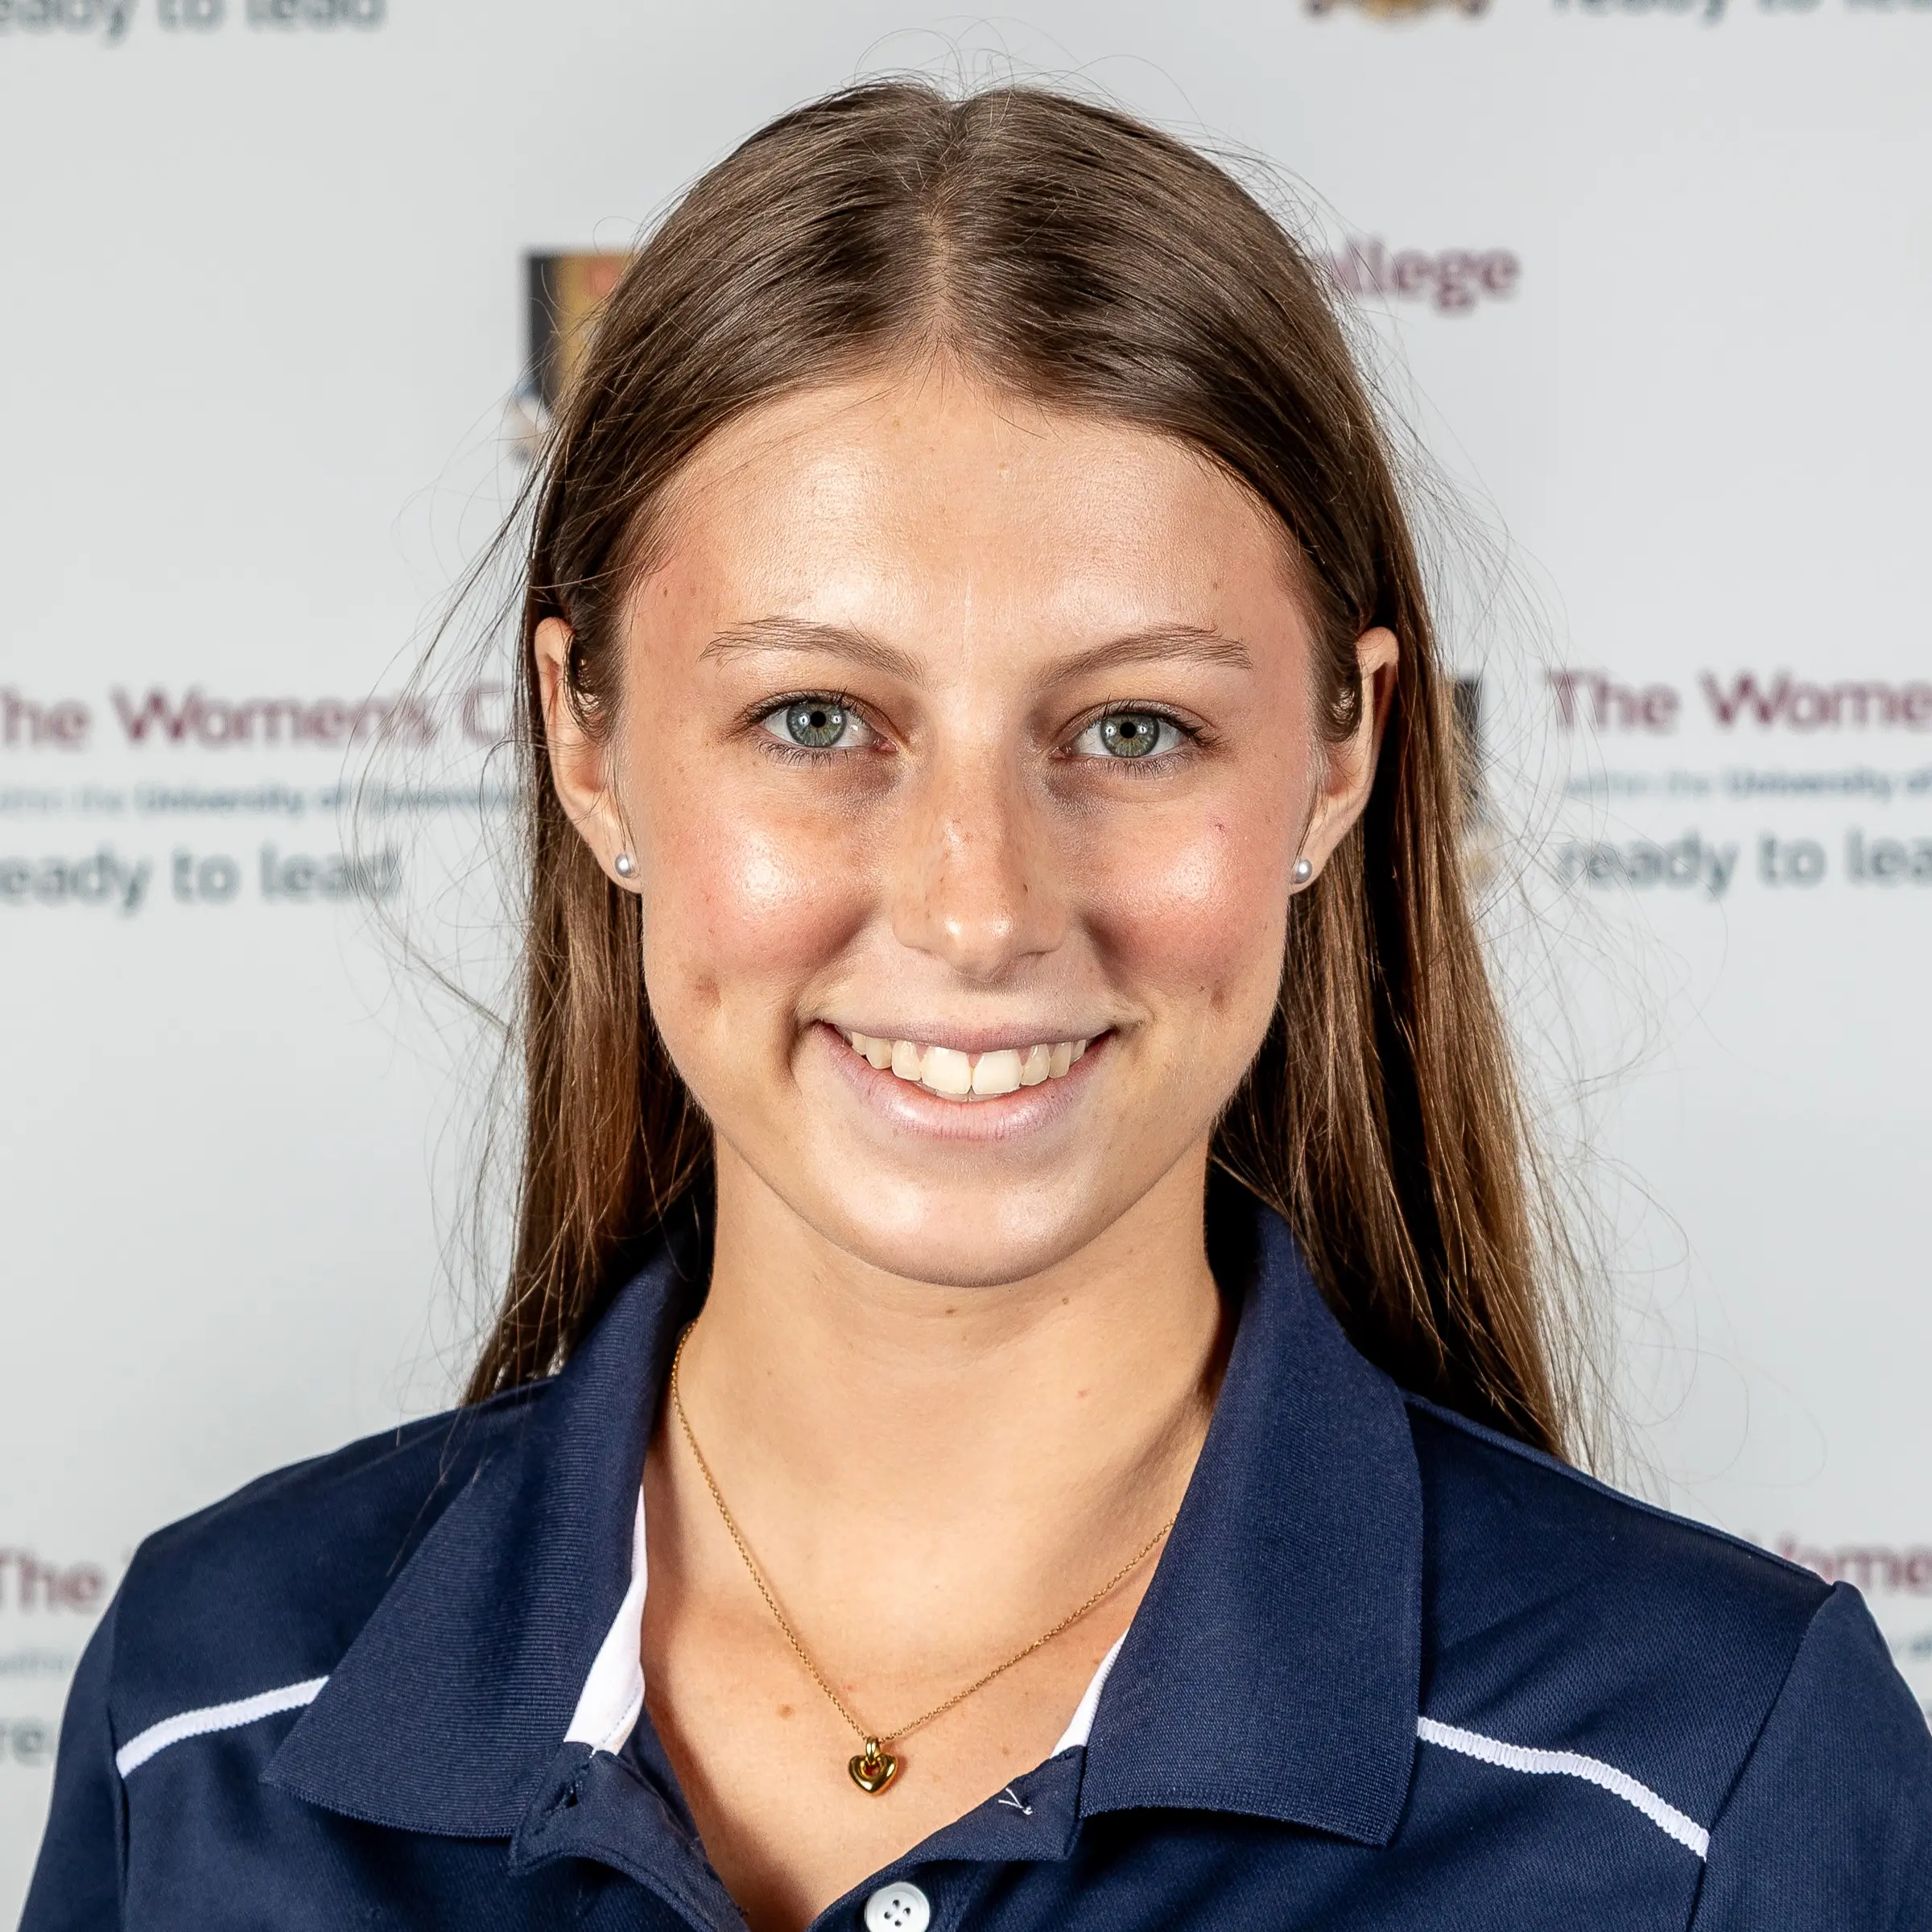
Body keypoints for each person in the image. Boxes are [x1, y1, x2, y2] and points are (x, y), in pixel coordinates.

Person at [24, 80, 1931, 1932]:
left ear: (1340, 757)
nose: (980, 904)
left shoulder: (1706, 1782)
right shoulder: (207, 1715)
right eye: (815, 719)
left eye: (1134, 728)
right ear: (587, 747)